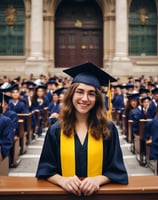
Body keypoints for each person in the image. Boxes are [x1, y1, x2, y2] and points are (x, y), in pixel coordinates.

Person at [36, 62, 128, 196]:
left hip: (99, 196)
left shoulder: (107, 128)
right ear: (71, 95)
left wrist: (98, 179)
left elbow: (117, 170)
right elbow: (45, 169)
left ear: (97, 98)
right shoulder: (56, 130)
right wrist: (62, 180)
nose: (85, 99)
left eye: (91, 93)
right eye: (80, 92)